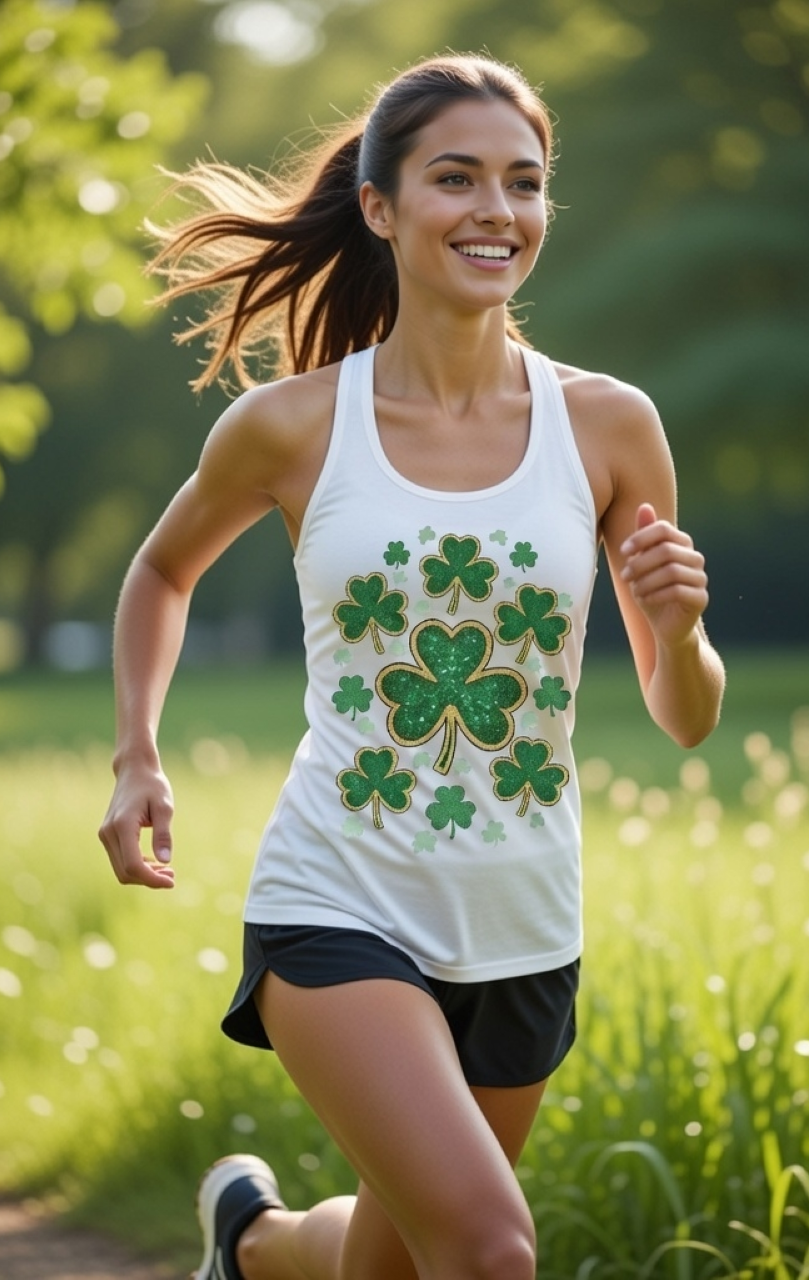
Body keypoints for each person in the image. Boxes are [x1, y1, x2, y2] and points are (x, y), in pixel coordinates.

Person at [98, 52, 724, 1280]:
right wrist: (137, 755)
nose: (497, 210)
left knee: (389, 1262)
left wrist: (684, 630)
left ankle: (254, 1246)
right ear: (380, 206)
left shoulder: (608, 425)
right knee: (490, 1249)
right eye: (457, 178)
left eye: (524, 182)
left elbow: (684, 715)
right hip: (340, 896)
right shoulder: (291, 424)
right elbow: (160, 572)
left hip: (523, 916)